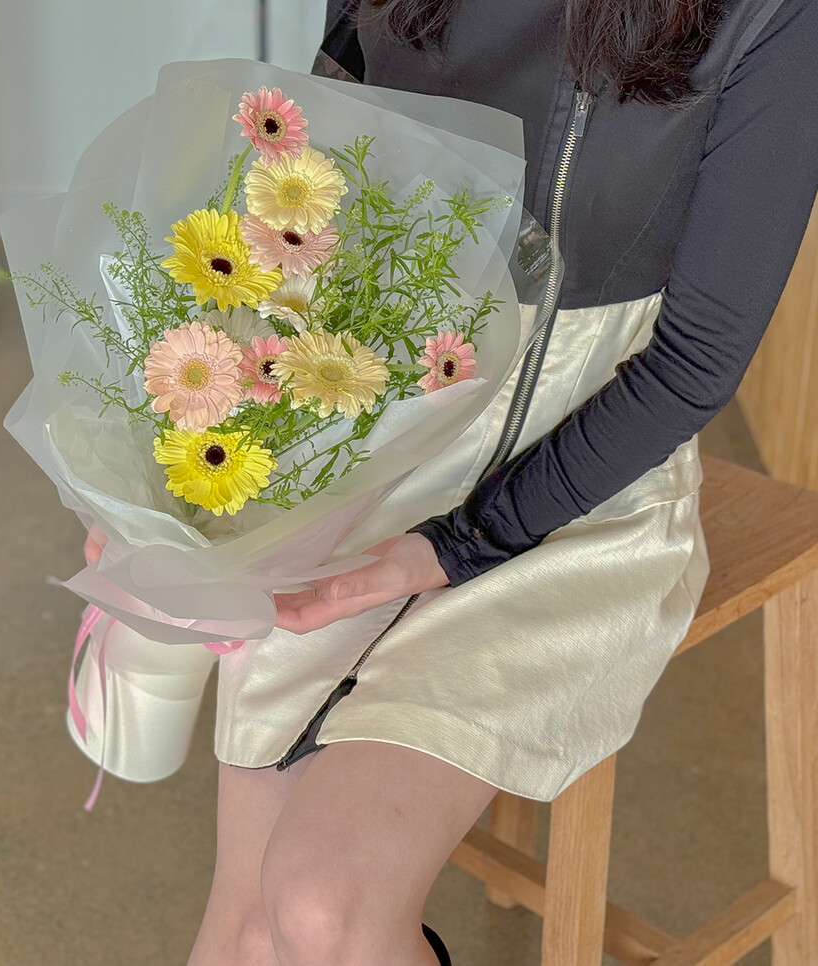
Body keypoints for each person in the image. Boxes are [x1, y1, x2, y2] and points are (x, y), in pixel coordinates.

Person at [178, 1, 818, 964]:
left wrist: (458, 543)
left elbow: (693, 365)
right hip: (373, 441)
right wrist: (183, 456)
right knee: (246, 933)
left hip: (581, 498)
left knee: (318, 905)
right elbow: (306, 189)